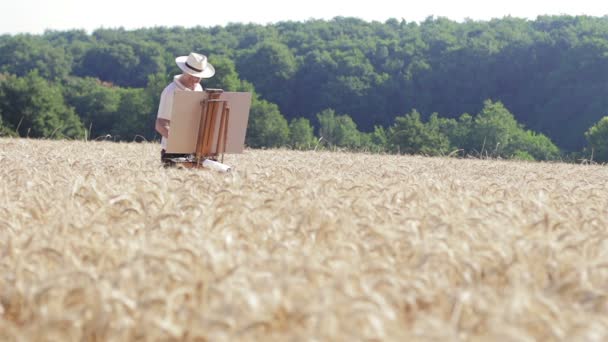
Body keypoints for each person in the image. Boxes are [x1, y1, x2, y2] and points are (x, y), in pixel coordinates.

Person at [155, 52, 215, 165]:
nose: (196, 80)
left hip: (197, 151)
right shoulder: (170, 91)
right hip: (173, 152)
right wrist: (182, 143)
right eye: (192, 75)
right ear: (184, 71)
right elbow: (160, 124)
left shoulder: (199, 88)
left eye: (199, 76)